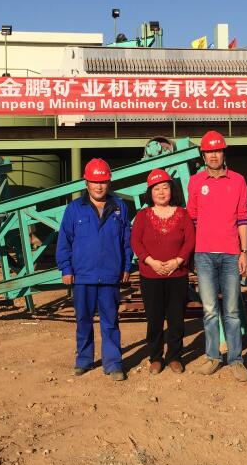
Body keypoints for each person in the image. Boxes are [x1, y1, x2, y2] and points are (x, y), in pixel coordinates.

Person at [56, 158, 132, 381]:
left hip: (110, 275)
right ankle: (84, 360)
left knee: (110, 321)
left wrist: (126, 265)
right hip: (83, 275)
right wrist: (66, 268)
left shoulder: (119, 207)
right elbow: (64, 241)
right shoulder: (74, 209)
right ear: (86, 182)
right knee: (83, 320)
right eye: (94, 181)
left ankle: (113, 363)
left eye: (103, 181)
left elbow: (126, 240)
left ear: (109, 182)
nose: (99, 186)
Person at [186, 130, 247, 382]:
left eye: (217, 151)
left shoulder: (238, 181)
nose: (213, 156)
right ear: (203, 155)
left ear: (224, 153)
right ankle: (213, 357)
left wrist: (244, 251)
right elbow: (192, 219)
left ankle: (236, 359)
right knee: (210, 310)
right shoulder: (195, 182)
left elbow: (242, 218)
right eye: (209, 152)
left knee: (232, 311)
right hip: (203, 255)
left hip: (231, 255)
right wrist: (192, 253)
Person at [131, 169, 196, 375]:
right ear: (150, 193)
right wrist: (152, 262)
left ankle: (175, 357)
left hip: (177, 275)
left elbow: (190, 240)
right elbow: (136, 241)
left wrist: (177, 261)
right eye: (156, 188)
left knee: (176, 318)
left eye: (165, 188)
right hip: (151, 275)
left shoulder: (182, 214)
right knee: (155, 319)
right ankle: (156, 357)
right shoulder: (143, 216)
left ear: (171, 190)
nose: (161, 192)